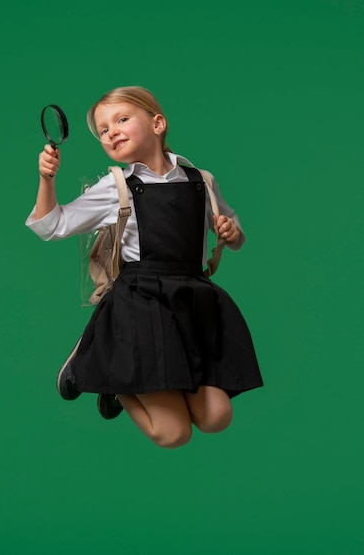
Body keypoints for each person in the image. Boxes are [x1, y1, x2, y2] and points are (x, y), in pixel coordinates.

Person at [26, 86, 263, 449]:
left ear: (157, 123)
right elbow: (50, 225)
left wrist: (231, 232)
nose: (112, 132)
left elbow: (234, 232)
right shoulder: (116, 186)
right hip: (143, 305)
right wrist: (47, 179)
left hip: (193, 302)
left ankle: (119, 377)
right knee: (174, 434)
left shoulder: (202, 180)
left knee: (217, 418)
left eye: (121, 120)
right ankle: (110, 375)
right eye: (103, 130)